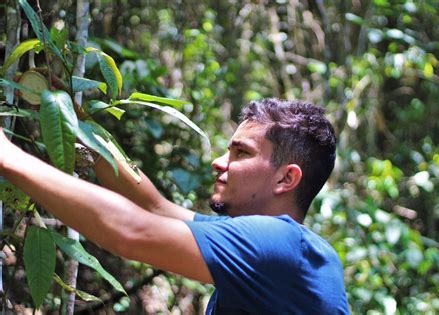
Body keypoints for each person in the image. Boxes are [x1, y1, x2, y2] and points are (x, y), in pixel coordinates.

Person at [0, 98, 349, 314]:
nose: (218, 162)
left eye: (240, 153)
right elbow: (153, 206)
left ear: (285, 179)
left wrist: (9, 157)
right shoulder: (270, 244)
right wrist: (69, 120)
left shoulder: (280, 245)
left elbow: (132, 230)